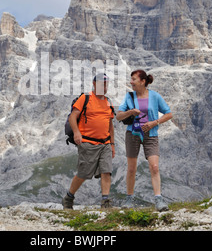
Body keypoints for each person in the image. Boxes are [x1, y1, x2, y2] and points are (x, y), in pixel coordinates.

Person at [116, 70, 173, 211]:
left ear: (142, 81)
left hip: (151, 134)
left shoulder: (154, 96)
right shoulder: (129, 97)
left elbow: (169, 113)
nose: (131, 82)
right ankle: (129, 199)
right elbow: (118, 116)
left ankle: (158, 200)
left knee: (154, 167)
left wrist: (155, 122)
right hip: (132, 134)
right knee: (131, 168)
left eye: (134, 79)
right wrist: (130, 112)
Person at [62, 73, 115, 209]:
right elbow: (73, 117)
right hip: (87, 143)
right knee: (83, 174)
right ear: (94, 84)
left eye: (106, 84)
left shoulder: (108, 102)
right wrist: (76, 133)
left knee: (106, 171)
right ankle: (69, 197)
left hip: (105, 143)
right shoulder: (85, 98)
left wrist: (112, 144)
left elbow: (110, 125)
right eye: (101, 84)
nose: (104, 87)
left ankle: (105, 202)